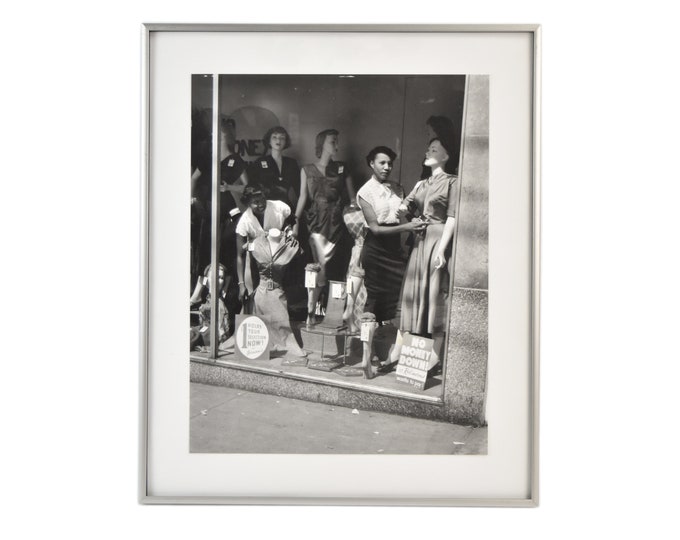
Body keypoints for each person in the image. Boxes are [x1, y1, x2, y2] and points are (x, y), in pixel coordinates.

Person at [356, 146, 428, 377]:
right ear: (371, 164)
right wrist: (407, 227)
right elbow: (375, 228)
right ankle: (367, 357)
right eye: (382, 163)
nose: (386, 167)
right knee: (373, 303)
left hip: (395, 251)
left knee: (395, 302)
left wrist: (419, 221)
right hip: (376, 251)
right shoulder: (365, 192)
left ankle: (394, 355)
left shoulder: (398, 189)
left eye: (389, 163)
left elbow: (407, 213)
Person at [398, 137, 459, 339]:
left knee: (434, 290)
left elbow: (452, 217)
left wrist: (442, 249)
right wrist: (411, 219)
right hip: (421, 240)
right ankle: (407, 343)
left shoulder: (452, 181)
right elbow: (402, 208)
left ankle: (434, 346)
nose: (428, 153)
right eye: (428, 149)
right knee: (413, 288)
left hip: (437, 238)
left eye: (434, 150)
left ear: (445, 156)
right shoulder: (421, 184)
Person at [293, 129, 356, 325]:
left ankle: (334, 314)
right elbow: (303, 197)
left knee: (337, 266)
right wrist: (294, 222)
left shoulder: (342, 168)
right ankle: (312, 310)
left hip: (336, 221)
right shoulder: (306, 170)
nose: (336, 145)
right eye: (332, 141)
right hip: (315, 221)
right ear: (322, 144)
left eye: (337, 141)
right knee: (318, 265)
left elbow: (353, 198)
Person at [247, 228, 307, 358]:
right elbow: (247, 266)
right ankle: (261, 349)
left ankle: (281, 347)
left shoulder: (291, 246)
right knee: (258, 327)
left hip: (277, 291)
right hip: (261, 291)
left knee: (282, 324)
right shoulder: (256, 243)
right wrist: (247, 287)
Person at [235, 184, 294, 303]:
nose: (261, 204)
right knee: (260, 294)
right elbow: (239, 255)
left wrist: (291, 232)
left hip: (281, 256)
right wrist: (241, 284)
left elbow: (292, 220)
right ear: (248, 204)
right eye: (256, 202)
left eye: (262, 199)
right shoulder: (245, 221)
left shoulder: (278, 206)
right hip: (259, 264)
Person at [250, 126, 299, 210]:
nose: (278, 140)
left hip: (285, 207)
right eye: (274, 137)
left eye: (282, 138)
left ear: (286, 141)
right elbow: (252, 188)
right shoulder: (259, 162)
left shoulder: (291, 163)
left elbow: (299, 190)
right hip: (265, 208)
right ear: (269, 141)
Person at [190, 263, 229, 351]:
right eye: (214, 276)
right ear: (206, 281)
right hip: (205, 335)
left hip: (211, 339)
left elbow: (221, 332)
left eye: (221, 278)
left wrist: (210, 348)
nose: (216, 280)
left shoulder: (218, 303)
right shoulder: (210, 300)